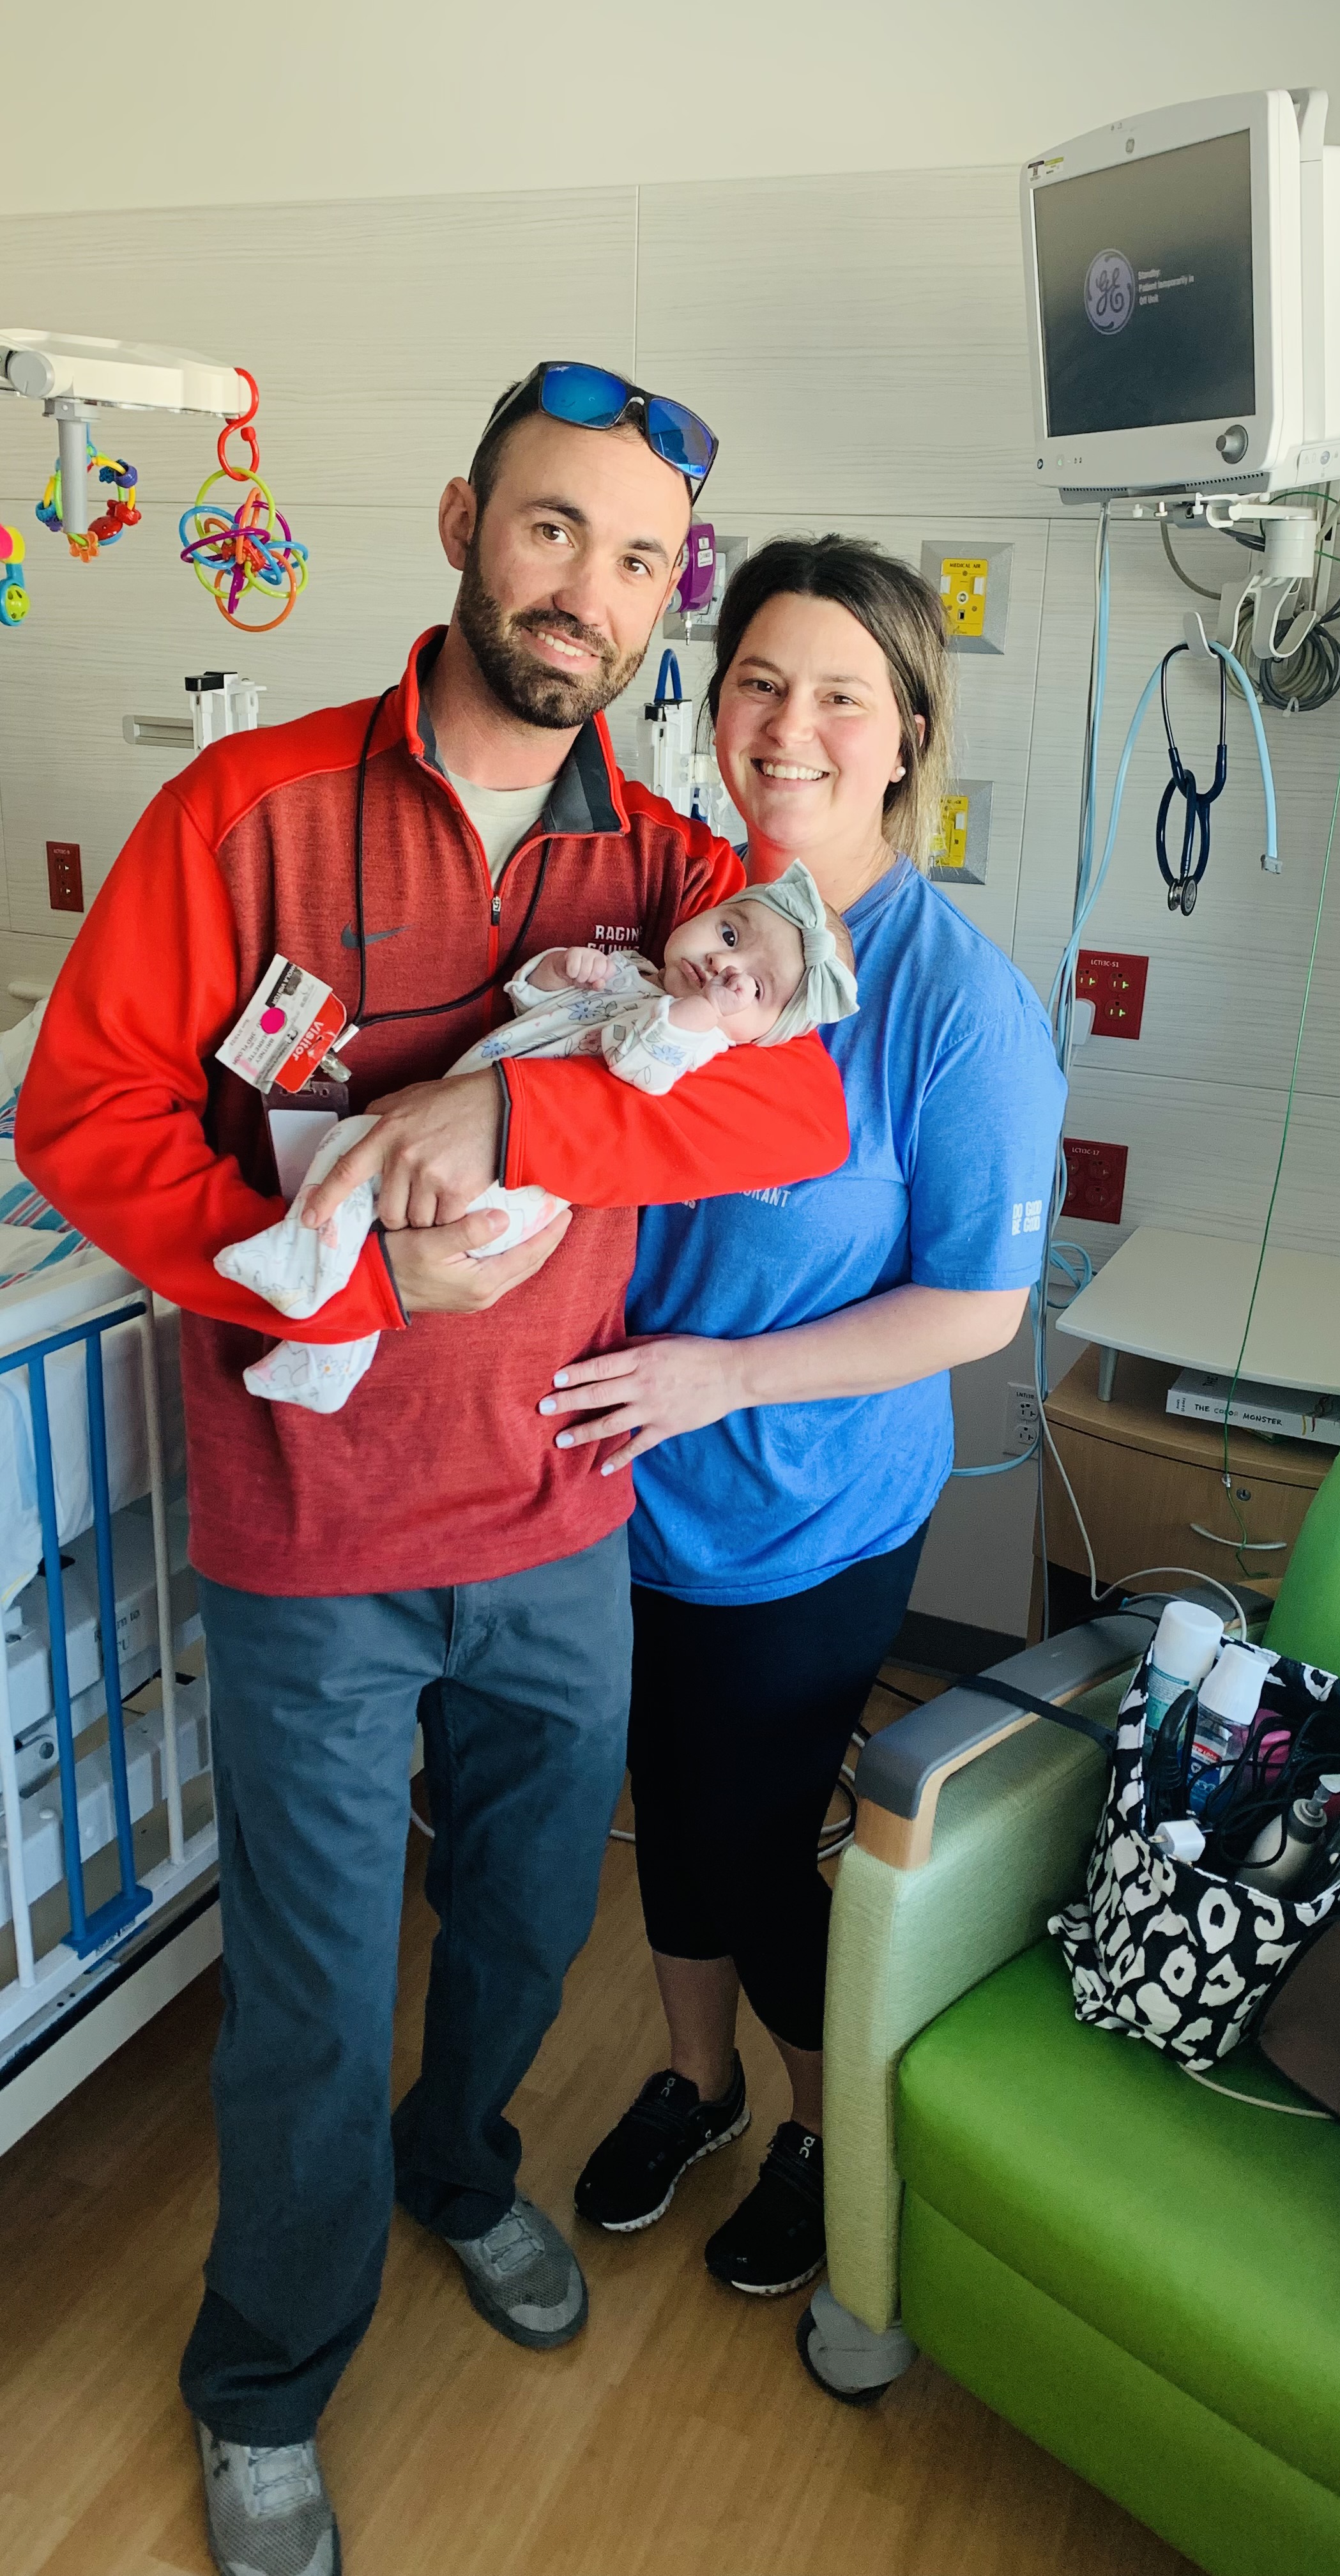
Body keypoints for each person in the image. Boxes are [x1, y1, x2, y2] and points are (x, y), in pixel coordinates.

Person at [15, 369, 849, 2576]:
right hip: (314, 1534)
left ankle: (459, 2172)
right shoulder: (250, 817)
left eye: (640, 561)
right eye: (556, 530)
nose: (587, 589)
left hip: (554, 1516)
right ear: (467, 518)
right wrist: (342, 1272)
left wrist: (507, 1126)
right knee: (304, 1980)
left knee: (510, 1917)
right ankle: (262, 2375)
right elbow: (83, 1117)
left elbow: (782, 1109)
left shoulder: (664, 864)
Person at [558, 535, 1067, 2298]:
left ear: (907, 734)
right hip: (619, 1483)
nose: (787, 727)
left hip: (806, 1507)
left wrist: (724, 1375)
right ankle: (694, 2085)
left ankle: (811, 2125)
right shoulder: (666, 927)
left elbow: (976, 1306)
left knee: (757, 1837)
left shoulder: (954, 1009)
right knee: (663, 1809)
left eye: (839, 694)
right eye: (757, 682)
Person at [218, 863, 856, 1412]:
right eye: (728, 932)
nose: (723, 964)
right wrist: (559, 970)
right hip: (455, 1132)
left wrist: (706, 1010)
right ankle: (324, 1356)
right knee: (352, 1159)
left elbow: (644, 1063)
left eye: (753, 986)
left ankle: (299, 1273)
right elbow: (526, 999)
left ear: (765, 1034)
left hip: (515, 1185)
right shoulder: (633, 974)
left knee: (357, 1178)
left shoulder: (697, 1040)